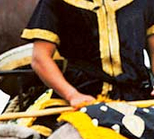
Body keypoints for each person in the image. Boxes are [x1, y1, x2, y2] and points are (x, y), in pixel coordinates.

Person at [22, 0, 154, 108]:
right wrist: (72, 95)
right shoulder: (55, 2)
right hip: (78, 97)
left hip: (138, 99)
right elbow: (40, 59)